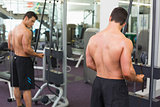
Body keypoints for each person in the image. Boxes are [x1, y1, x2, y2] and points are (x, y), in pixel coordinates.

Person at [86, 7, 144, 107]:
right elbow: (127, 73)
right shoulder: (124, 41)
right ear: (124, 24)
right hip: (115, 86)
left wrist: (104, 70)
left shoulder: (93, 39)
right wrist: (137, 79)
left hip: (98, 84)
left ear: (110, 18)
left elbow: (89, 64)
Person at [8, 11, 44, 107]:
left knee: (16, 85)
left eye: (34, 22)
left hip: (15, 59)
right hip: (24, 62)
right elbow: (27, 49)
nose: (32, 24)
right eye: (31, 21)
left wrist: (17, 50)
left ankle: (19, 105)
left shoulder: (13, 30)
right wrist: (37, 55)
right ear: (26, 18)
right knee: (27, 88)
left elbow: (9, 46)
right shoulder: (26, 32)